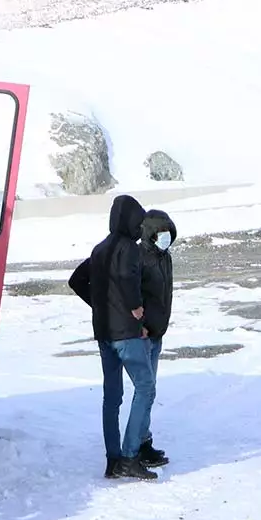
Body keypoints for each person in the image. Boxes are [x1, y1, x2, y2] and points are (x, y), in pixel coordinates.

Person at [68, 194, 158, 480]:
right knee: (145, 387)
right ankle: (131, 456)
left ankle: (113, 460)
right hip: (125, 335)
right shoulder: (128, 249)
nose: (140, 227)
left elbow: (76, 280)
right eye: (138, 221)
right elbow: (127, 278)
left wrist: (100, 304)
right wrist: (135, 309)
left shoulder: (99, 249)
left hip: (104, 332)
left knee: (112, 397)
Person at [135, 209, 178, 468]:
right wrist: (138, 324)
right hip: (142, 335)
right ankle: (137, 446)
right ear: (150, 234)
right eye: (161, 233)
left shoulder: (165, 257)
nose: (166, 238)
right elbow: (131, 294)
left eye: (168, 233)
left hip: (157, 333)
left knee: (149, 392)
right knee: (145, 392)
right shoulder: (139, 257)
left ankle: (143, 441)